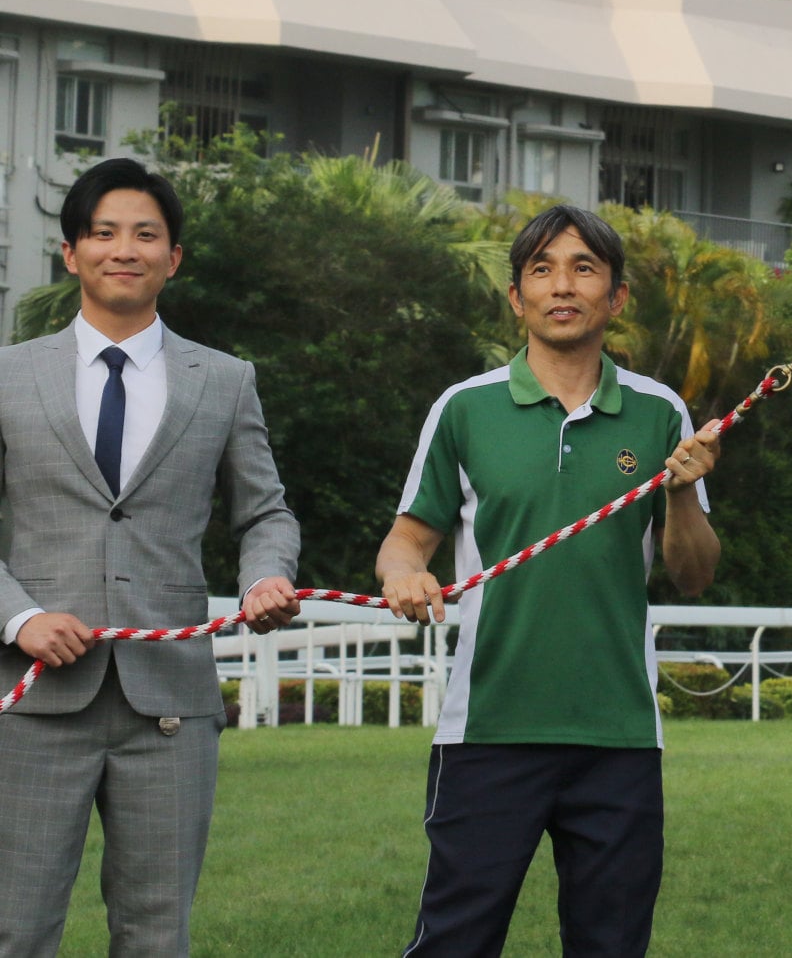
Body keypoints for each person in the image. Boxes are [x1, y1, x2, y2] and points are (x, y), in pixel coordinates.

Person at [376, 204, 723, 956]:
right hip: (488, 731)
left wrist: (684, 492)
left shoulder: (661, 412)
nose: (562, 285)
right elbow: (404, 544)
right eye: (542, 269)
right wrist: (407, 578)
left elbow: (692, 573)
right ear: (516, 296)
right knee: (455, 943)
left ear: (616, 296)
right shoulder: (464, 409)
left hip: (620, 736)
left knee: (611, 945)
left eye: (583, 268)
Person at [0, 157, 301, 957]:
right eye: (103, 233)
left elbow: (264, 510)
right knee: (15, 928)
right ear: (71, 254)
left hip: (169, 705)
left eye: (145, 234)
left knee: (156, 934)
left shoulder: (226, 381)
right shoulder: (7, 375)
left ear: (174, 257)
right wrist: (20, 617)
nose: (122, 249)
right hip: (32, 706)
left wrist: (266, 575)